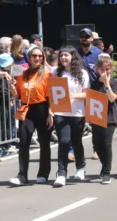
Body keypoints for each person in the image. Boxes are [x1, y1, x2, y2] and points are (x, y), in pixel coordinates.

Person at [10, 46, 53, 186]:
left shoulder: (47, 75)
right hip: (27, 110)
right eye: (34, 56)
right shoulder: (22, 75)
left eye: (40, 56)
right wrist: (11, 87)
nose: (37, 58)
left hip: (43, 109)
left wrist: (50, 113)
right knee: (23, 142)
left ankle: (43, 173)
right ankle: (22, 176)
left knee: (44, 143)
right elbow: (18, 95)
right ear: (29, 58)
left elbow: (51, 96)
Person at [52, 47, 90, 187]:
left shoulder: (82, 73)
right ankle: (61, 173)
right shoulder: (56, 72)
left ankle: (81, 168)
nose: (63, 58)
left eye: (66, 55)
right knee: (63, 141)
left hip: (77, 113)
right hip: (61, 113)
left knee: (76, 141)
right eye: (61, 56)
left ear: (73, 57)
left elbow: (87, 94)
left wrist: (72, 96)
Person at [89, 55, 117, 184]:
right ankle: (104, 164)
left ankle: (106, 171)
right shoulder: (94, 83)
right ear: (97, 69)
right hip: (96, 117)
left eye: (107, 69)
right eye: (102, 70)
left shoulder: (114, 82)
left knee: (106, 144)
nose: (105, 72)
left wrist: (106, 83)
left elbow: (112, 98)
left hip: (110, 118)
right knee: (97, 144)